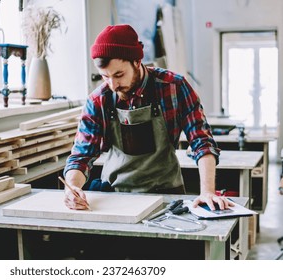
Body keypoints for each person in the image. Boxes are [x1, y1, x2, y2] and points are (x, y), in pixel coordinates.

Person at [63, 24, 233, 211]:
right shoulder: (98, 100)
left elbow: (202, 142)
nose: (113, 85)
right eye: (105, 77)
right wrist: (73, 187)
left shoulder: (174, 87)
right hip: (115, 196)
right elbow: (81, 156)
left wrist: (207, 192)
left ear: (137, 61)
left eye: (119, 75)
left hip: (167, 195)